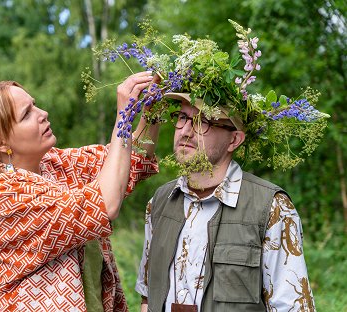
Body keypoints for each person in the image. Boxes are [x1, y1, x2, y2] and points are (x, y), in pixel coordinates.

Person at [0, 72, 160, 311]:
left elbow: (132, 157)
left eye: (34, 105)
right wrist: (123, 118)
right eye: (26, 114)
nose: (43, 114)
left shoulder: (52, 164)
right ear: (0, 143)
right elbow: (104, 204)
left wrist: (151, 110)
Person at [135, 94, 316, 311]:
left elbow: (293, 307)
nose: (185, 131)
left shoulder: (272, 208)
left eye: (203, 121)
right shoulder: (159, 202)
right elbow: (147, 297)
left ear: (234, 140)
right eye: (182, 117)